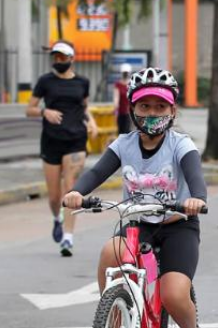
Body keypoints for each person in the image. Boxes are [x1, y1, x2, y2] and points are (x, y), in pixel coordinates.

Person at [63, 68, 205, 328]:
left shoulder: (181, 145)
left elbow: (195, 176)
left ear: (172, 111)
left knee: (173, 294)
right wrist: (76, 192)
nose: (152, 113)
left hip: (178, 226)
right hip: (137, 225)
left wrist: (197, 198)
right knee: (109, 252)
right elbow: (97, 172)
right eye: (145, 105)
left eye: (161, 106)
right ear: (132, 109)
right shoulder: (123, 144)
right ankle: (113, 313)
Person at [26, 41, 98, 256]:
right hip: (51, 140)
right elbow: (29, 108)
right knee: (54, 197)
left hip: (76, 139)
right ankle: (56, 219)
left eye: (62, 57)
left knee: (71, 189)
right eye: (55, 57)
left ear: (71, 59)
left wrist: (91, 121)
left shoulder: (82, 82)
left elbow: (84, 107)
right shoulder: (45, 81)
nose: (58, 61)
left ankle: (68, 237)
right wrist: (44, 112)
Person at [114, 64, 133, 134]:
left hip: (129, 113)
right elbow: (116, 97)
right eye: (124, 73)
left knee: (127, 131)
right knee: (120, 132)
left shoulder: (131, 84)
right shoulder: (118, 85)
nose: (125, 74)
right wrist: (115, 109)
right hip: (120, 112)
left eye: (126, 73)